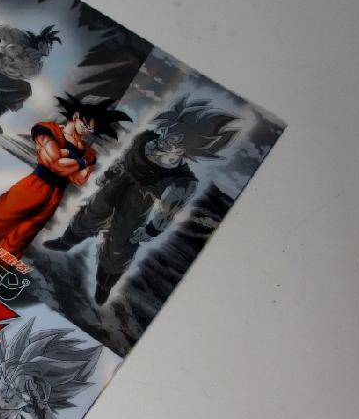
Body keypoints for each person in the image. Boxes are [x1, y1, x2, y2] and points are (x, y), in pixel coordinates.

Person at [44, 95, 241, 305]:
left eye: (175, 139)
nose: (165, 138)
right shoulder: (145, 139)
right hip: (115, 186)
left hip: (138, 204)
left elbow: (170, 208)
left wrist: (152, 229)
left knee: (120, 245)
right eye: (168, 131)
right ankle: (65, 242)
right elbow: (125, 158)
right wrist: (109, 174)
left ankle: (104, 284)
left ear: (188, 148)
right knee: (89, 214)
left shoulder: (182, 178)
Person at [0, 94, 131, 259]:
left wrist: (71, 160)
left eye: (92, 129)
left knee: (24, 233)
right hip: (35, 184)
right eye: (86, 125)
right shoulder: (50, 129)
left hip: (56, 194)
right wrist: (78, 163)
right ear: (76, 116)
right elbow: (56, 162)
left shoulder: (89, 151)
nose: (88, 131)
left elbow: (79, 178)